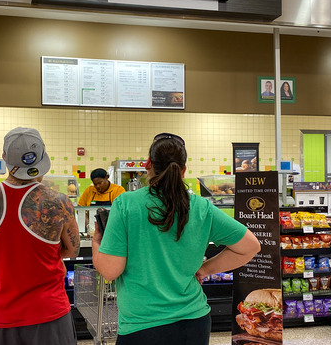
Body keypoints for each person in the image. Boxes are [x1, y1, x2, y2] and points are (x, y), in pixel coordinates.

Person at [92, 132, 261, 345]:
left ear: (148, 164)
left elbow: (110, 270)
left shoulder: (126, 204)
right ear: (183, 171)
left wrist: (97, 243)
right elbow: (250, 246)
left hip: (142, 326)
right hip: (193, 322)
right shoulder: (201, 207)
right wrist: (205, 269)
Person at [0, 127, 80, 345]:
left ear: (4, 158)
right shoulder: (58, 202)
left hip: (0, 316)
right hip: (48, 314)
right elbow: (72, 250)